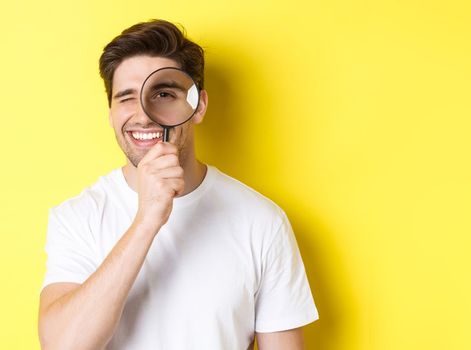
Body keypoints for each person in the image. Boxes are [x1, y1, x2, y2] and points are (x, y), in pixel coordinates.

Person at [37, 19, 319, 350]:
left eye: (164, 94)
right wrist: (146, 220)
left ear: (198, 106)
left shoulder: (262, 222)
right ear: (110, 113)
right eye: (126, 97)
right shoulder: (77, 218)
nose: (144, 115)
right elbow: (61, 346)